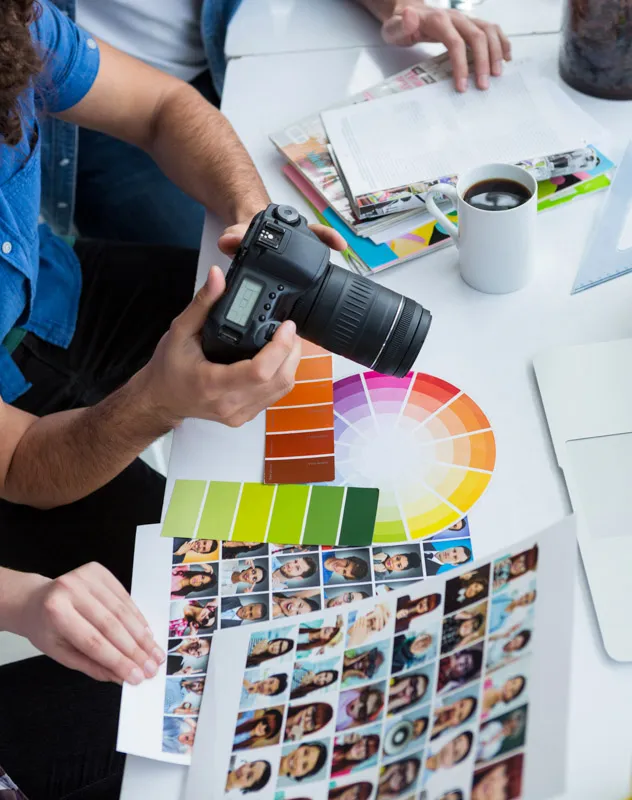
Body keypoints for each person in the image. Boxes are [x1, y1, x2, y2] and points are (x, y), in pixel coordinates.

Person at [1, 2, 348, 794]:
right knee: (227, 602)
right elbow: (22, 460)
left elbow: (165, 108)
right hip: (14, 445)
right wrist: (160, 402)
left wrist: (257, 219)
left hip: (60, 299)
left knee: (313, 339)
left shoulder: (12, 26)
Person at [44, 0, 511, 251]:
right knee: (213, 271)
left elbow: (168, 104)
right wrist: (255, 212)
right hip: (94, 115)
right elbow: (157, 108)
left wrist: (403, 8)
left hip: (221, 50)